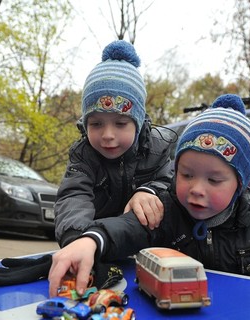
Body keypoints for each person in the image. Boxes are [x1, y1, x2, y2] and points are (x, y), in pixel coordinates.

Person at [49, 94, 250, 297]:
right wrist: (91, 240)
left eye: (214, 179)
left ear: (239, 183)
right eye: (186, 175)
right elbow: (126, 228)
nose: (197, 188)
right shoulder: (166, 212)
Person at [54, 40, 174, 249]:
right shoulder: (84, 156)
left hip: (151, 248)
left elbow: (172, 184)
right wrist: (77, 239)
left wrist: (150, 191)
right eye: (96, 123)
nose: (108, 135)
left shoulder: (158, 148)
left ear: (137, 123)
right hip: (97, 244)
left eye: (120, 123)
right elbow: (74, 196)